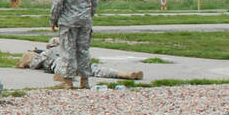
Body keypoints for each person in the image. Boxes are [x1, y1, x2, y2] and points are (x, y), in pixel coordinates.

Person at [49, 0, 100, 89]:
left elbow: (58, 2)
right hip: (85, 20)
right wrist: (89, 15)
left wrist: (53, 19)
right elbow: (95, 0)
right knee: (83, 50)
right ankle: (85, 80)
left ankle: (68, 80)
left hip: (68, 20)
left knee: (67, 50)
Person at [15, 36, 143, 80]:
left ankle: (67, 75)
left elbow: (34, 64)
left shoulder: (49, 52)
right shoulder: (69, 48)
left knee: (62, 69)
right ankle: (125, 74)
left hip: (60, 62)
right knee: (97, 69)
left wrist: (33, 55)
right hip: (78, 59)